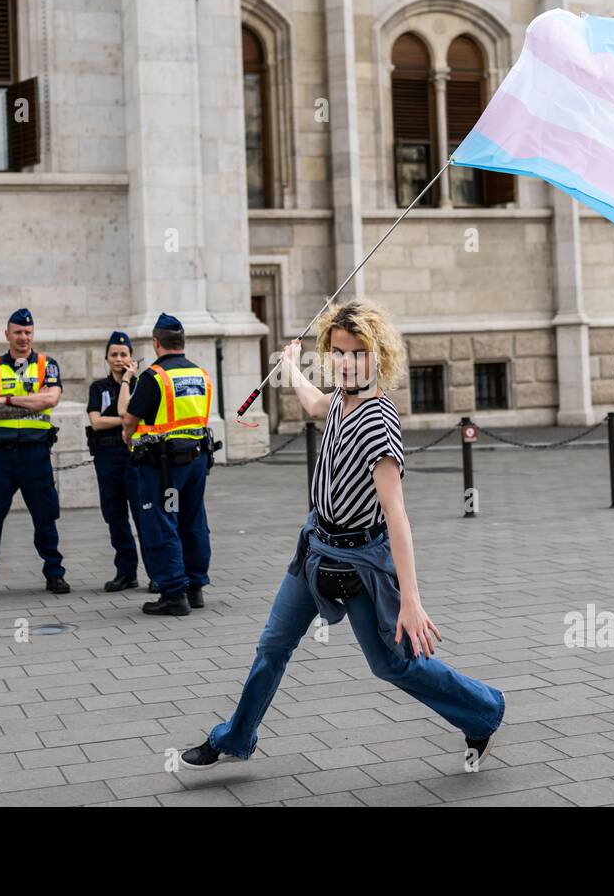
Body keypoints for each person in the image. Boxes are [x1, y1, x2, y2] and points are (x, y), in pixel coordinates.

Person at [180, 299, 504, 770]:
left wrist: (411, 600)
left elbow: (397, 516)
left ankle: (483, 710)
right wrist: (290, 364)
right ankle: (235, 738)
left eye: (358, 353)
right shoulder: (340, 401)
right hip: (313, 548)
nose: (347, 363)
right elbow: (315, 402)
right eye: (338, 352)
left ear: (379, 356)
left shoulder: (378, 422)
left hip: (361, 562)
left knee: (391, 664)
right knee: (272, 647)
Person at [121, 313, 218, 616]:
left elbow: (129, 419)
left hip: (163, 467)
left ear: (156, 342)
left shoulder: (154, 377)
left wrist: (128, 437)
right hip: (196, 460)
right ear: (182, 342)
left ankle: (174, 593)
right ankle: (195, 587)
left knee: (163, 521)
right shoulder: (201, 374)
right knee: (193, 520)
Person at [0, 308, 68, 599]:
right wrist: (32, 401)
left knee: (45, 516)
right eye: (18, 332)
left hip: (35, 453)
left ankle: (55, 574)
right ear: (7, 335)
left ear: (33, 334)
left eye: (28, 332)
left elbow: (51, 399)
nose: (23, 337)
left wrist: (9, 398)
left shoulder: (47, 365)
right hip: (0, 457)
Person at [87, 330, 157, 593]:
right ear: (106, 358)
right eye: (114, 355)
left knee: (144, 517)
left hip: (135, 458)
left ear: (132, 358)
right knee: (114, 517)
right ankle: (125, 572)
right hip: (106, 458)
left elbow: (137, 418)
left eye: (123, 354)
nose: (118, 359)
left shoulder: (141, 385)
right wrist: (129, 420)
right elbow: (96, 422)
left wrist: (124, 417)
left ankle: (155, 574)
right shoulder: (98, 388)